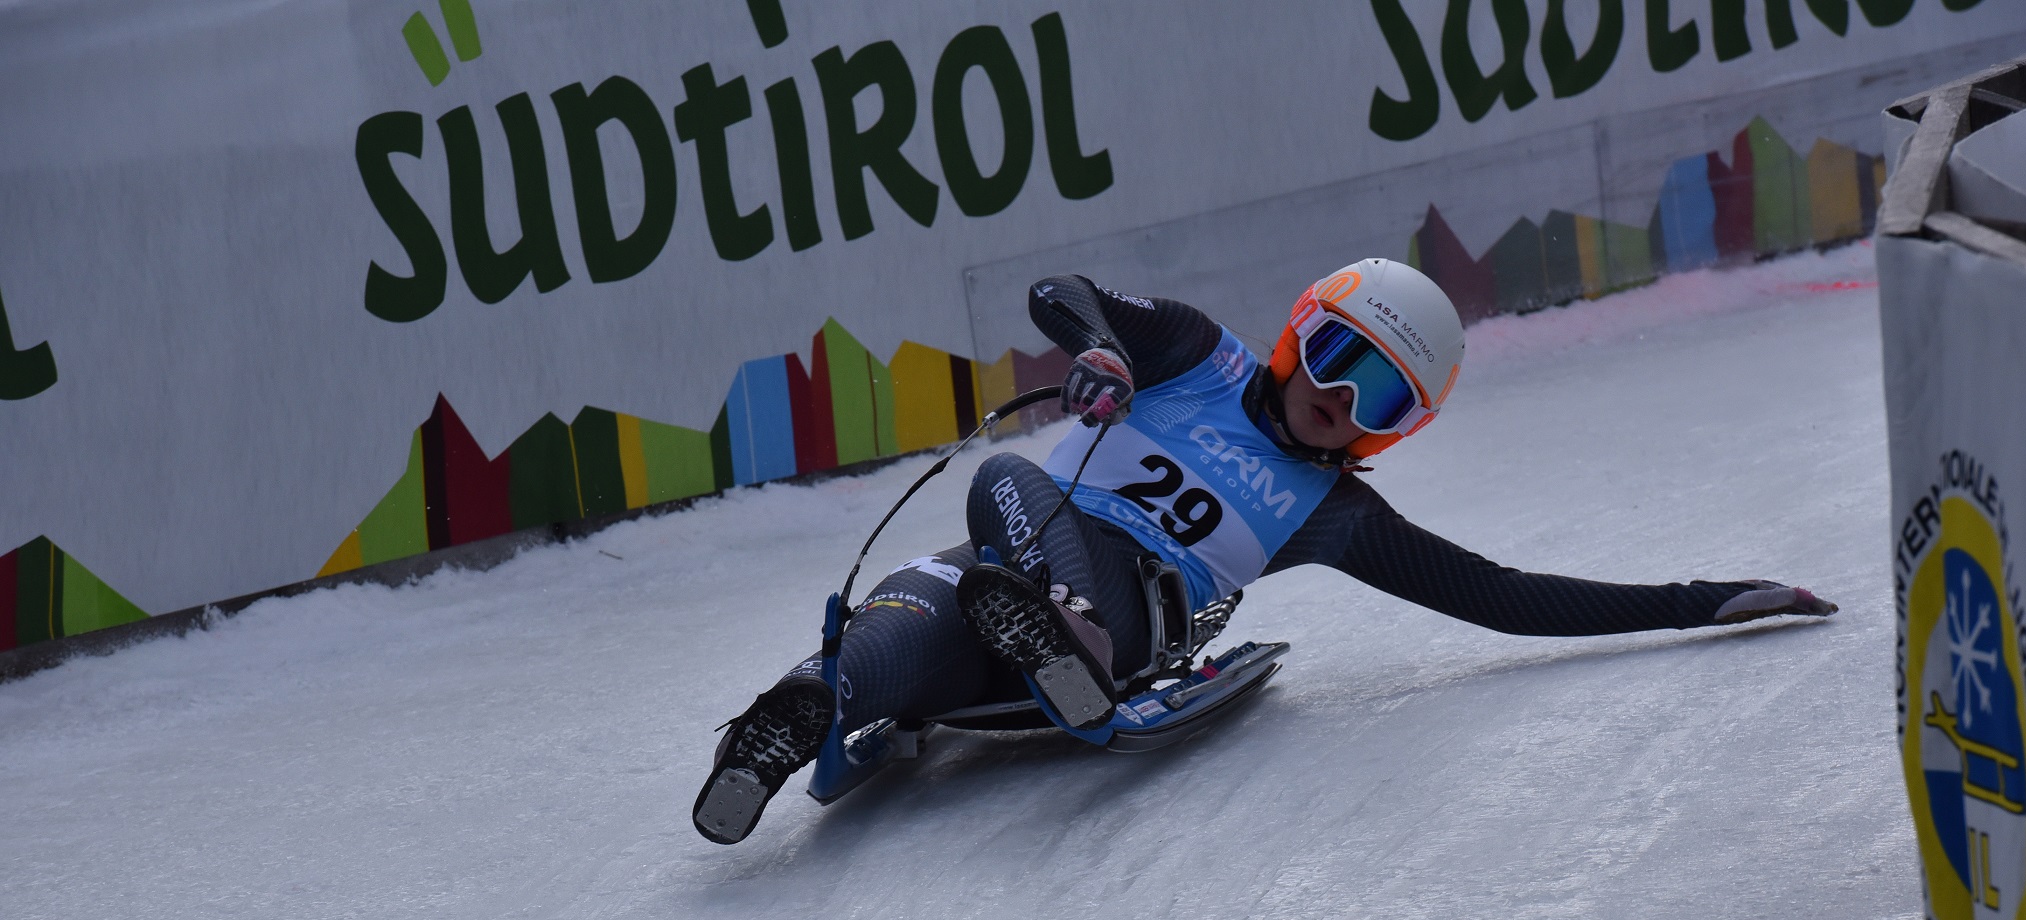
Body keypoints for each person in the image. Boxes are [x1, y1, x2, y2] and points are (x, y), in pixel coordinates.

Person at [693, 259, 1836, 844]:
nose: (1341, 398)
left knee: (1005, 488)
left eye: (1378, 394)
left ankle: (1067, 639)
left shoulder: (1333, 513)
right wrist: (1103, 352)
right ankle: (787, 720)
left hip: (1126, 613)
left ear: (1397, 428)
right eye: (1339, 356)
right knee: (924, 601)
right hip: (1002, 560)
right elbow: (1065, 292)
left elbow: (1507, 596)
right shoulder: (1196, 354)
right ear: (1300, 332)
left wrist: (1700, 600)